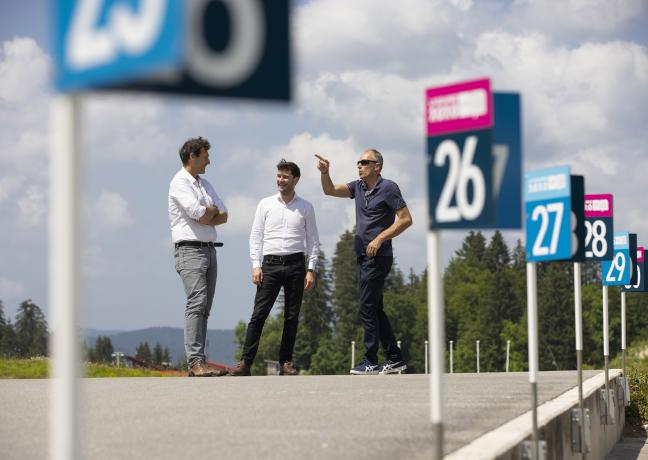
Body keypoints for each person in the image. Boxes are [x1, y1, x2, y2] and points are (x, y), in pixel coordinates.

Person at [315, 149, 412, 375]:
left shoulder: (388, 188)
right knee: (374, 308)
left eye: (365, 162)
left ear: (377, 166)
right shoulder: (358, 187)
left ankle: (370, 360)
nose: (360, 165)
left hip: (379, 256)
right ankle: (395, 357)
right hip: (362, 256)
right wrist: (325, 173)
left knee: (367, 307)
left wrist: (380, 238)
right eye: (358, 162)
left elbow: (406, 219)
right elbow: (329, 190)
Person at [230, 160, 320, 376]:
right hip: (269, 265)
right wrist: (255, 265)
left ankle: (286, 363)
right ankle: (245, 363)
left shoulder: (306, 207)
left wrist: (311, 269)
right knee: (258, 315)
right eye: (279, 176)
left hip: (296, 265)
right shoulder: (265, 204)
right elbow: (255, 236)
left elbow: (313, 241)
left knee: (291, 316)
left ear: (295, 179)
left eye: (285, 177)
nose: (281, 180)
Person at [168, 137, 229, 377]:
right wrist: (208, 212)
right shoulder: (179, 183)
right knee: (197, 303)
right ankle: (195, 361)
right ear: (192, 156)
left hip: (209, 249)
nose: (209, 161)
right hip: (190, 250)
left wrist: (208, 212)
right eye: (205, 157)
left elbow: (224, 214)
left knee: (204, 307)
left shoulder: (204, 184)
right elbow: (198, 214)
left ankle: (200, 361)